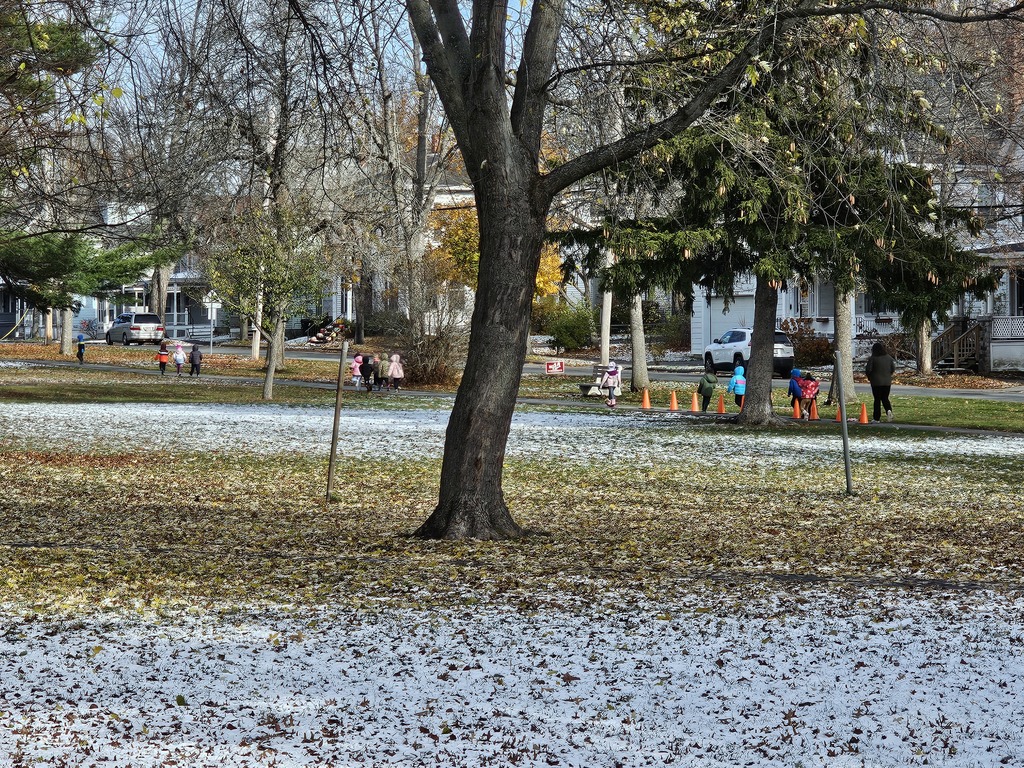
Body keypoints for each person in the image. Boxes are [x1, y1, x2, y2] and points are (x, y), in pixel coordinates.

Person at [865, 341, 896, 422]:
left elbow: (868, 369)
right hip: (887, 382)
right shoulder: (888, 358)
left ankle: (876, 418)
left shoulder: (873, 358)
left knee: (877, 400)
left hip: (876, 382)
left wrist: (870, 377)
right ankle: (889, 411)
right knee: (885, 398)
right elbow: (893, 368)